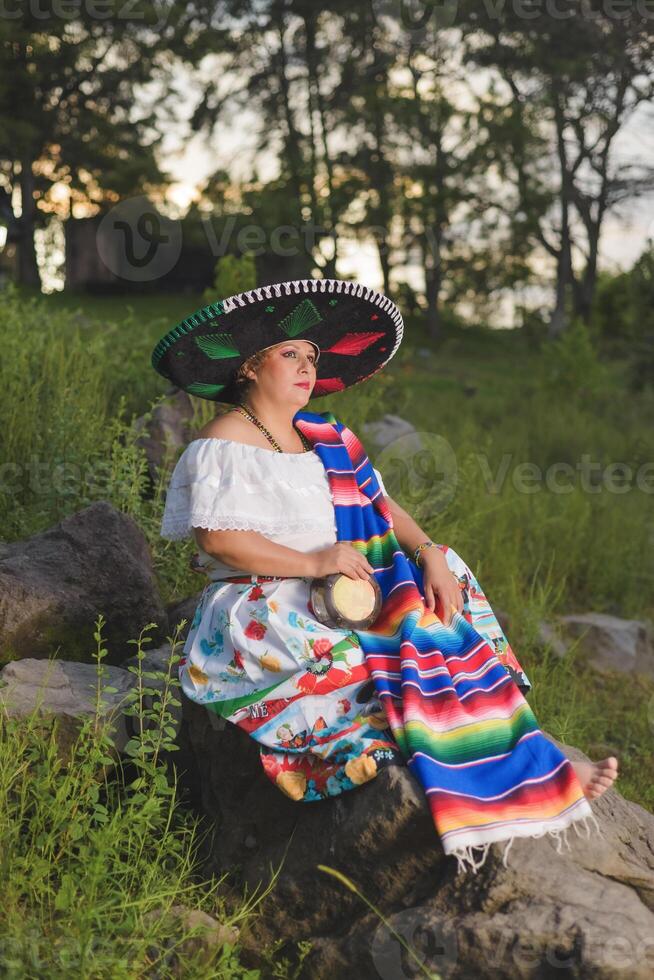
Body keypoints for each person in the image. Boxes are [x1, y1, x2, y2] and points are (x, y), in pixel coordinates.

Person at [153, 278, 617, 874]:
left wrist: (428, 551)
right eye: (289, 354)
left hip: (345, 586)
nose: (306, 367)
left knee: (437, 594)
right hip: (266, 597)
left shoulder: (330, 439)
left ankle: (530, 757)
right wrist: (314, 563)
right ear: (248, 367)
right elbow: (218, 540)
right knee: (378, 663)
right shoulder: (224, 440)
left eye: (312, 357)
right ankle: (501, 764)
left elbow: (383, 511)